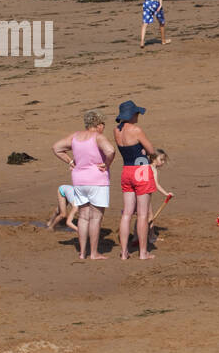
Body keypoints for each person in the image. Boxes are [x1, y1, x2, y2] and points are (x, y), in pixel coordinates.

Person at [51, 110, 115, 260]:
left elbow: (56, 148)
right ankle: (93, 253)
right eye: (103, 124)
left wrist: (71, 161)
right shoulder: (98, 137)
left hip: (79, 180)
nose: (103, 127)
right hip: (97, 180)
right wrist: (106, 164)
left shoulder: (75, 136)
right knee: (96, 217)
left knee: (84, 216)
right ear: (98, 124)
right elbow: (110, 150)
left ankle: (82, 253)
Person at [113, 99, 157, 260]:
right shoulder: (136, 130)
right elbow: (151, 150)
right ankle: (143, 252)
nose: (138, 115)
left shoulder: (116, 130)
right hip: (141, 170)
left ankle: (124, 252)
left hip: (126, 170)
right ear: (132, 114)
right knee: (143, 214)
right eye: (137, 113)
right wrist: (146, 153)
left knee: (127, 213)